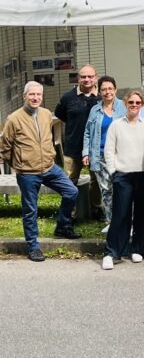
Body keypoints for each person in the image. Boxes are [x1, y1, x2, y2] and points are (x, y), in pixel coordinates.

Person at [1, 82, 81, 262]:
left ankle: (62, 226)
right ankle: (33, 246)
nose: (35, 98)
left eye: (38, 95)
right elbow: (5, 146)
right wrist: (17, 164)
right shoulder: (14, 118)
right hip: (27, 173)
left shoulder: (46, 114)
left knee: (72, 191)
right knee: (30, 209)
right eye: (32, 95)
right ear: (24, 96)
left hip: (49, 167)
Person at [101, 90, 144, 270]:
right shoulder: (116, 125)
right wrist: (113, 170)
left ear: (142, 105)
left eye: (138, 103)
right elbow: (109, 150)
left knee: (143, 213)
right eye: (131, 102)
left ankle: (139, 248)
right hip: (123, 174)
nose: (134, 105)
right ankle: (113, 251)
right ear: (125, 104)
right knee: (121, 213)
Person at [54, 64, 100, 219]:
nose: (87, 79)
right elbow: (60, 114)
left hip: (96, 148)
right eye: (83, 76)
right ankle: (69, 214)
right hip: (73, 147)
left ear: (96, 78)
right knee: (69, 181)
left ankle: (96, 210)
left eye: (90, 76)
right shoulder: (68, 97)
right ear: (78, 78)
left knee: (97, 181)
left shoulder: (102, 97)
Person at [82, 76, 126, 233]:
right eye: (104, 89)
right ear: (99, 92)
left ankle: (126, 221)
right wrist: (85, 153)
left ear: (115, 89)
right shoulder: (95, 109)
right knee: (106, 190)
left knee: (121, 189)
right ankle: (111, 221)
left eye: (110, 89)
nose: (107, 92)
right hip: (99, 156)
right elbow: (88, 132)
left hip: (119, 156)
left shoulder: (124, 107)